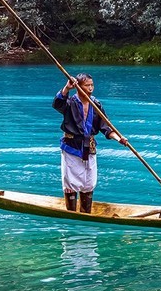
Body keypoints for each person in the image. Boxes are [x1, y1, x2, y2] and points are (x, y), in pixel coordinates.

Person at [53, 73, 128, 214]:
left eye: (92, 85)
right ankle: (71, 213)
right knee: (71, 181)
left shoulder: (96, 104)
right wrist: (67, 88)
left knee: (89, 182)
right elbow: (57, 104)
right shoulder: (70, 103)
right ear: (78, 87)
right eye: (87, 85)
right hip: (71, 147)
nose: (91, 88)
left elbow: (105, 127)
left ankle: (85, 213)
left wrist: (119, 139)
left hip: (90, 148)